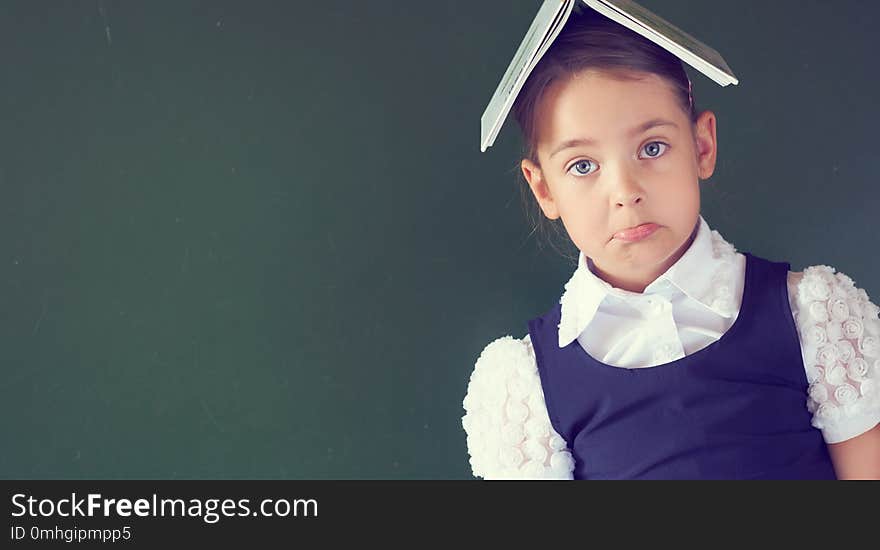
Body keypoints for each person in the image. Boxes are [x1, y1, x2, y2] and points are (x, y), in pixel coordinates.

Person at [461, 5, 880, 479]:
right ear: (544, 189)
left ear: (702, 145)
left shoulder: (811, 315)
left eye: (652, 148)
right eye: (583, 166)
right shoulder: (528, 385)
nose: (625, 192)